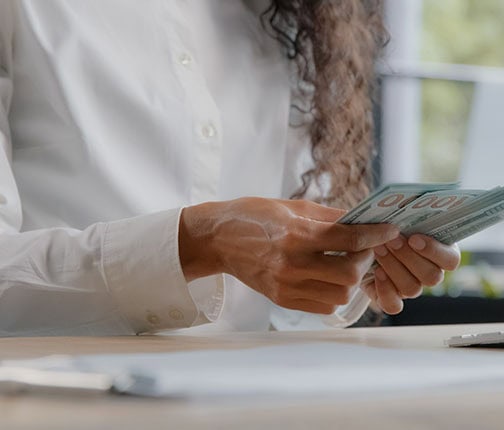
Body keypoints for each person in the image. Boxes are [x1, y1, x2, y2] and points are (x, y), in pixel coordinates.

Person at [0, 0, 460, 336]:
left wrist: (352, 266)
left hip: (246, 402)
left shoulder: (284, 17)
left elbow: (288, 302)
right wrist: (198, 243)